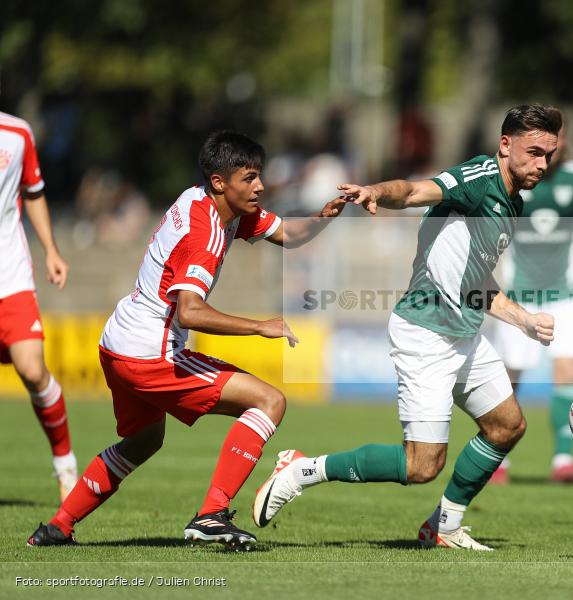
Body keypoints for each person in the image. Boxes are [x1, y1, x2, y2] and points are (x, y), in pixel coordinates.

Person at [253, 104, 561, 551]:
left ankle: (444, 527)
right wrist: (377, 190)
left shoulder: (512, 201)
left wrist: (523, 320)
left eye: (549, 155)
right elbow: (417, 190)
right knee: (421, 466)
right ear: (505, 145)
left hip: (464, 333)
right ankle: (302, 469)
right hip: (426, 334)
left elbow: (476, 282)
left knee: (507, 426)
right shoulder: (477, 180)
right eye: (534, 152)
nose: (542, 164)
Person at [27, 131, 346, 548]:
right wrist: (259, 326)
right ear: (220, 181)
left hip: (118, 342)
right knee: (269, 401)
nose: (261, 186)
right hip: (150, 351)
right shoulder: (207, 232)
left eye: (259, 176)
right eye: (250, 178)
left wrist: (326, 216)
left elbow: (288, 234)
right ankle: (212, 515)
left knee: (143, 441)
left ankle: (56, 527)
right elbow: (189, 312)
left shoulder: (209, 202)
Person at [490, 125, 573, 485]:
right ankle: (497, 462)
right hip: (519, 296)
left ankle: (563, 461)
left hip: (567, 295)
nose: (549, 151)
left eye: (555, 142)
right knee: (508, 377)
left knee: (567, 374)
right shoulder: (509, 175)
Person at [0, 111, 77, 502]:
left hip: (9, 275)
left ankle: (65, 465)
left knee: (31, 368)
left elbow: (33, 192)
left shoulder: (17, 132)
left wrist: (51, 250)